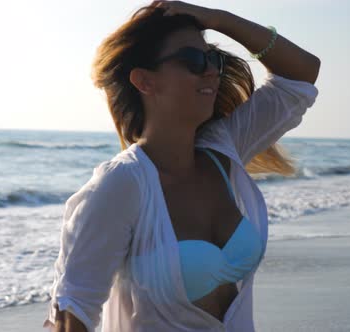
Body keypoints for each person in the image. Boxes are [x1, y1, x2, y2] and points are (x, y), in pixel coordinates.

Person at [43, 1, 320, 331]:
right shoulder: (121, 184)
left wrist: (219, 20)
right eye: (193, 60)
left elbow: (300, 75)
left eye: (213, 58)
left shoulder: (224, 151)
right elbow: (73, 310)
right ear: (144, 81)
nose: (212, 70)